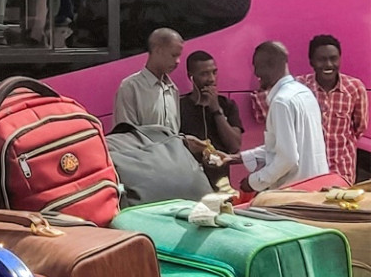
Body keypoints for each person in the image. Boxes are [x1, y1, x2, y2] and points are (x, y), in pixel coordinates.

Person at [219, 41, 328, 192]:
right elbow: (283, 147)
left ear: (271, 65)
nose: (256, 74)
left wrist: (253, 182)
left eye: (257, 66)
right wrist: (236, 159)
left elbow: (287, 158)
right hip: (316, 188)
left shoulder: (281, 102)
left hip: (294, 194)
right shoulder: (304, 93)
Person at [296, 35, 368, 184]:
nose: (328, 64)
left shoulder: (354, 88)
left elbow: (359, 128)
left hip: (341, 173)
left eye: (333, 58)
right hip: (308, 173)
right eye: (321, 59)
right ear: (312, 62)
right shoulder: (299, 87)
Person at [180, 51, 243, 190]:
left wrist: (216, 110)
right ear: (191, 77)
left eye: (214, 72)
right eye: (204, 74)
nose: (211, 79)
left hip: (220, 185)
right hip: (189, 184)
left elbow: (234, 145)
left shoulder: (227, 105)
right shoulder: (180, 107)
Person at [114, 28, 183, 133]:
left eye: (179, 56)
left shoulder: (172, 89)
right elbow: (125, 136)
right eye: (173, 55)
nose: (178, 61)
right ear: (157, 50)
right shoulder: (131, 87)